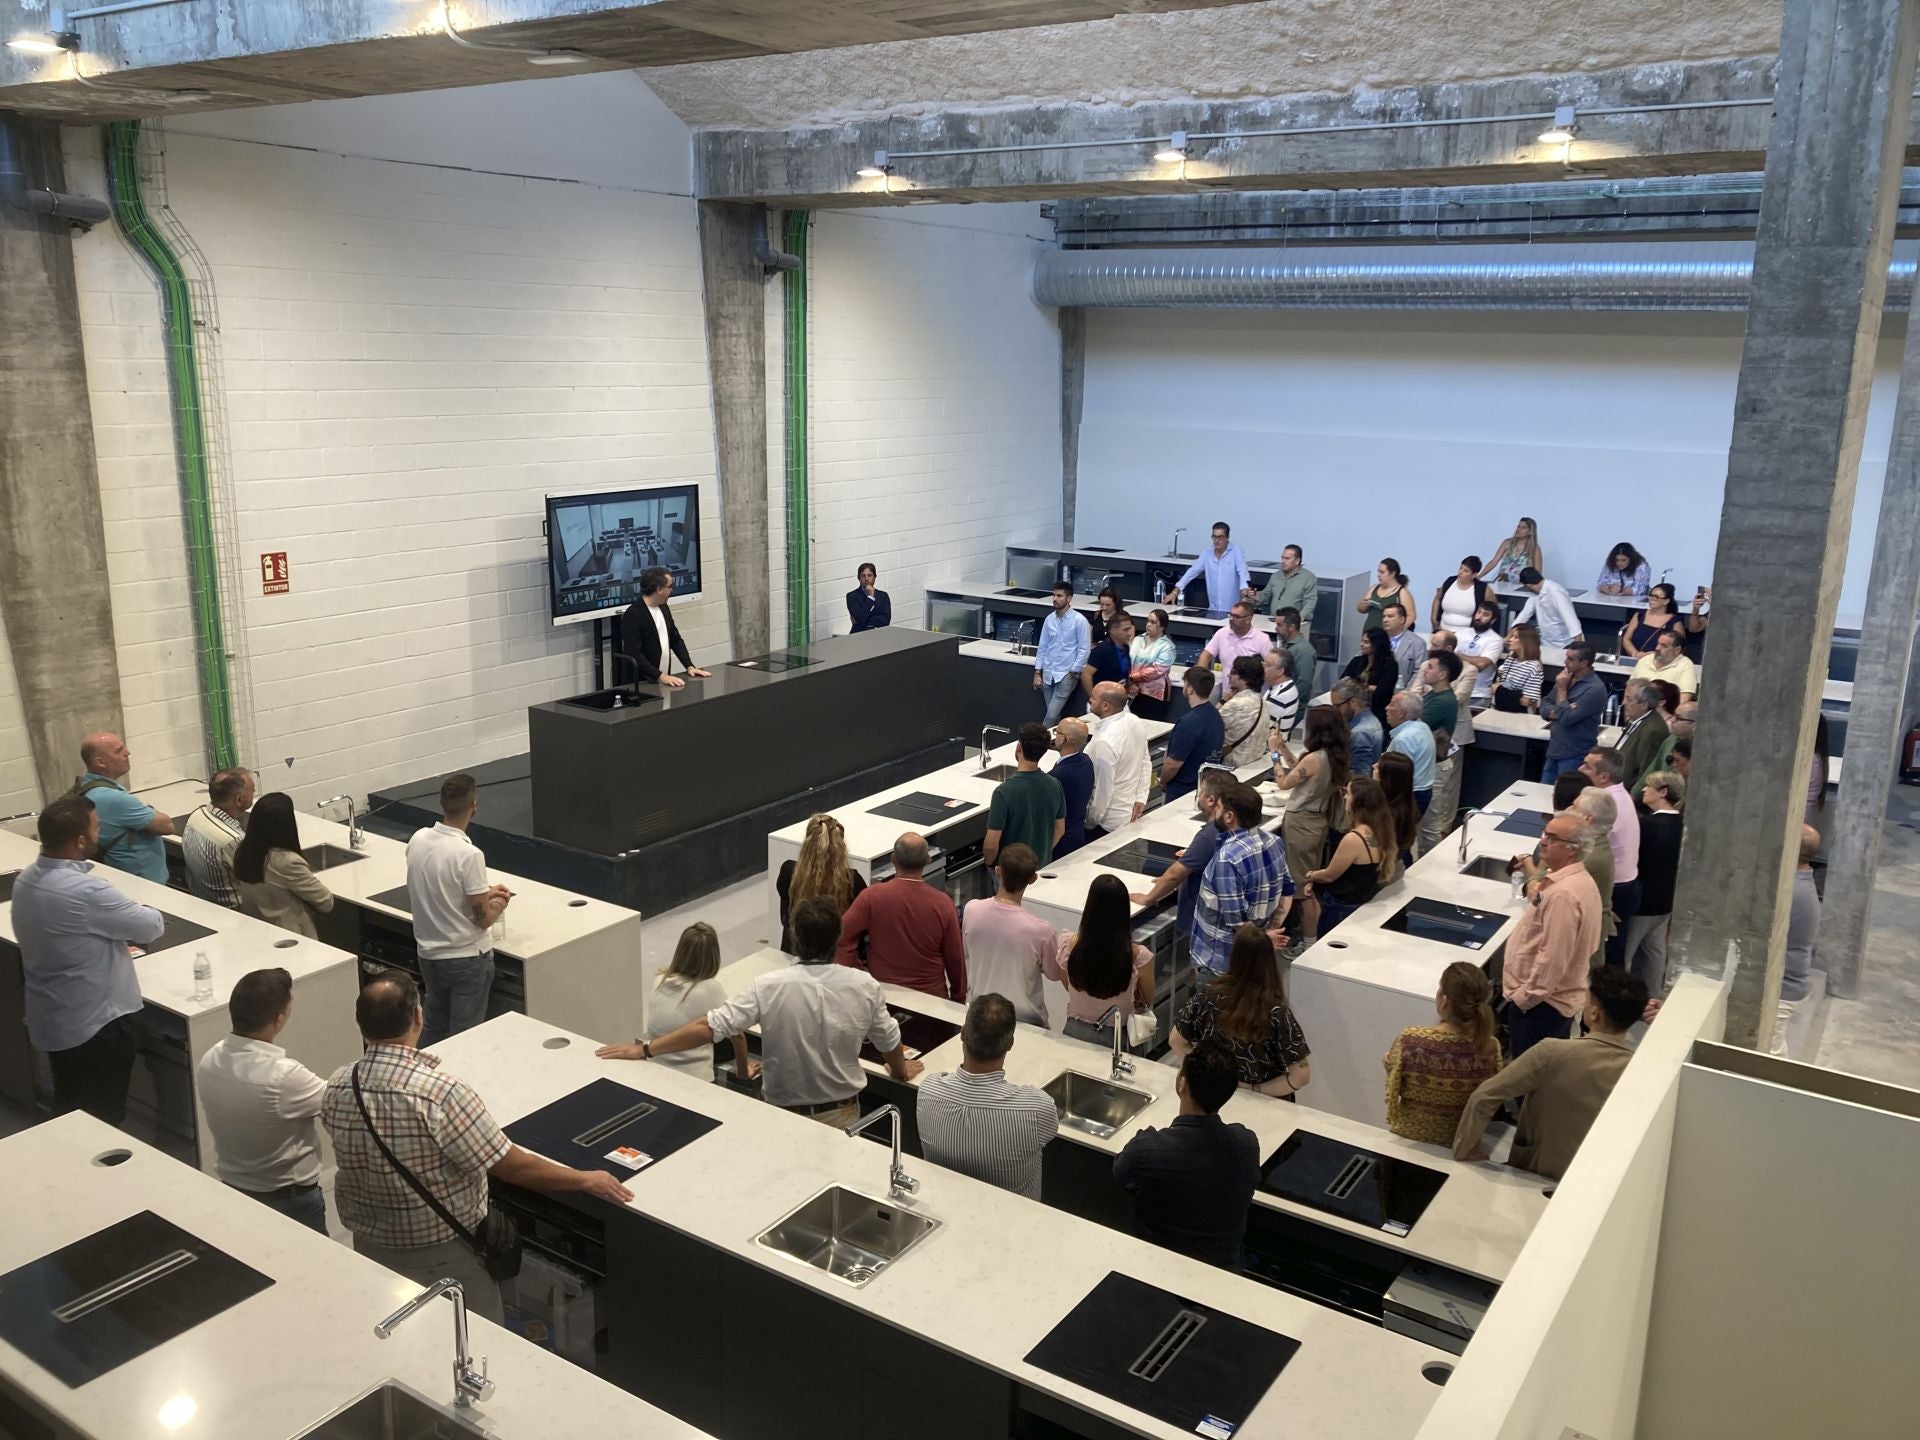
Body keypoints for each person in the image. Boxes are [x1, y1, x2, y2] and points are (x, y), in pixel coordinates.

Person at [327, 971, 633, 1320]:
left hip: (369, 1246)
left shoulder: (337, 1084)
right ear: (418, 1017)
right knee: (474, 1342)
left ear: (359, 1023)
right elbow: (511, 1166)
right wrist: (584, 1179)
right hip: (442, 1255)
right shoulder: (440, 1094)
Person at [610, 898, 922, 1125]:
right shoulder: (863, 986)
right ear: (837, 939)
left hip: (778, 1117)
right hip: (841, 1117)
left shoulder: (768, 987)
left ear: (795, 938)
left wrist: (647, 1049)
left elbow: (708, 1026)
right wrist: (899, 1070)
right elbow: (888, 1040)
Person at [12, 797, 164, 1124]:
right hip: (97, 1025)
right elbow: (151, 927)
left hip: (55, 1018)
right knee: (103, 1117)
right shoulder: (86, 891)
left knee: (68, 1104)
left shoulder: (25, 880)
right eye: (96, 827)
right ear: (80, 840)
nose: (100, 832)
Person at [1453, 967, 1648, 1179]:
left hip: (1536, 1171)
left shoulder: (1552, 1053)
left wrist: (1468, 1150)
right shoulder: (1640, 1070)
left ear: (1594, 1013)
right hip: (1597, 1179)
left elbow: (1485, 1096)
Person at [195, 967, 330, 1232]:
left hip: (234, 1189)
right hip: (289, 1199)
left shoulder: (209, 1059)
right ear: (279, 1020)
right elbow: (338, 1100)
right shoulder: (284, 1077)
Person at [1113, 1040, 1260, 1269]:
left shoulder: (1147, 1151)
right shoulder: (1247, 1144)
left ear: (1182, 1084)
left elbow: (1121, 1171)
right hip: (1222, 1275)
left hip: (1155, 1274)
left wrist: (1147, 1135)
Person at [915, 994, 1058, 1199]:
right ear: (1010, 1044)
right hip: (1014, 1223)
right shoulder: (1036, 1108)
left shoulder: (929, 1090)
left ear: (963, 1034)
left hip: (946, 1210)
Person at [405, 774, 508, 1047]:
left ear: (441, 803)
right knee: (466, 1040)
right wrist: (498, 902)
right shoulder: (469, 855)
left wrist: (483, 892)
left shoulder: (418, 839)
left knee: (432, 1030)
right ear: (474, 805)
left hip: (429, 955)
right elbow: (483, 918)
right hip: (466, 959)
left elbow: (443, 886)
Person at [1499, 812, 1603, 1060]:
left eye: (1552, 838)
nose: (1543, 841)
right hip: (1547, 1002)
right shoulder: (1578, 882)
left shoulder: (1564, 895)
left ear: (1572, 849)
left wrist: (1524, 999)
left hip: (1541, 1007)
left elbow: (1552, 959)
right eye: (1545, 834)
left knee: (1530, 1079)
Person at [1172, 923, 1311, 1097]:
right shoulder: (1276, 1012)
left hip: (1215, 1096)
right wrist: (1253, 1090)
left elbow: (1176, 1040)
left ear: (1234, 956)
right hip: (1264, 1105)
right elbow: (1301, 1075)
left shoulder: (1209, 996)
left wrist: (1204, 1071)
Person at [1383, 961, 1503, 1145]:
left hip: (1410, 1137)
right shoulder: (1490, 1046)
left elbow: (1394, 1091)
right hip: (1460, 1140)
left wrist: (1390, 1069)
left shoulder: (1410, 1040)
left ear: (1444, 999)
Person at [837, 833, 966, 1001]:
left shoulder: (871, 897)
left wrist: (858, 971)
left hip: (884, 997)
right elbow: (956, 960)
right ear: (928, 860)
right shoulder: (943, 904)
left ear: (893, 859)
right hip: (931, 1002)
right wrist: (958, 999)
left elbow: (840, 938)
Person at [1127, 767, 1234, 954]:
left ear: (1210, 800)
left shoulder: (1209, 835)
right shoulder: (1231, 826)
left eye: (1200, 792)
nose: (1198, 796)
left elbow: (1176, 874)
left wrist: (1148, 898)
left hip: (1207, 922)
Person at [1043, 874, 1155, 1049]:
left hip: (1075, 1030)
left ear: (1090, 908)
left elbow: (1068, 983)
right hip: (1121, 1036)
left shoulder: (1068, 945)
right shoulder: (1138, 956)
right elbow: (1147, 998)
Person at [1191, 783, 1290, 977]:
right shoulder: (1274, 841)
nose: (1215, 811)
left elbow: (1237, 922)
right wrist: (1271, 929)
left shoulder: (1227, 858)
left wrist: (1263, 938)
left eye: (1218, 807)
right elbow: (1288, 891)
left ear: (1229, 817)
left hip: (1221, 962)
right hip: (1257, 955)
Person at [645, 923, 752, 1083]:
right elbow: (738, 1037)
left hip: (654, 1069)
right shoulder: (709, 989)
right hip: (694, 1077)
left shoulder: (659, 980)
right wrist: (743, 1073)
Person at [962, 845, 1056, 1026]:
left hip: (979, 1015)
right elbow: (1053, 973)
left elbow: (967, 951)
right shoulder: (1041, 930)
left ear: (998, 871)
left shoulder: (971, 910)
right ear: (1033, 878)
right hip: (1026, 1021)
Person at [70, 731, 173, 882]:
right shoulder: (113, 798)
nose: (127, 753)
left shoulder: (85, 786)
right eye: (119, 751)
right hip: (143, 887)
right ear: (100, 762)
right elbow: (167, 826)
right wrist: (148, 808)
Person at [1303, 776, 1398, 937]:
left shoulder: (1353, 839)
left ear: (1357, 802)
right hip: (1365, 902)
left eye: (1347, 793)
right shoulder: (1382, 830)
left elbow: (1330, 875)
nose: (1344, 797)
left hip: (1342, 909)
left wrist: (1311, 875)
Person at [231, 792, 334, 940]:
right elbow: (326, 902)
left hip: (259, 936)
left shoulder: (243, 851)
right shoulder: (287, 862)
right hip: (293, 941)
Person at [1272, 704, 1349, 895]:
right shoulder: (1334, 756)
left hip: (1301, 823)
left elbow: (1283, 783)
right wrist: (1282, 747)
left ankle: (1307, 923)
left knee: (1301, 884)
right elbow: (1300, 768)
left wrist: (1274, 754)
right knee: (1309, 876)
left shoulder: (1313, 759)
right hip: (1318, 821)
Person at [1578, 748, 1642, 966]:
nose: (1580, 769)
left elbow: (1587, 841)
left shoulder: (1605, 802)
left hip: (1616, 888)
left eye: (1587, 766)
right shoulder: (1620, 795)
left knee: (1606, 957)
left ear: (1604, 776)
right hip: (1627, 882)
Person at [1626, 770, 1685, 994]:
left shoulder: (1647, 826)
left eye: (1648, 786)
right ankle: (1652, 1001)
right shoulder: (1682, 824)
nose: (1643, 789)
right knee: (1655, 952)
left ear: (1662, 792)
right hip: (1666, 902)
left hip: (1642, 903)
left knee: (1625, 955)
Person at [775, 813, 866, 955]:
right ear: (841, 848)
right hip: (835, 955)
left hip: (794, 952)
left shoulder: (788, 872)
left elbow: (785, 917)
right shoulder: (852, 880)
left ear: (807, 844)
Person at [985, 723, 1067, 867]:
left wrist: (990, 864)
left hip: (1010, 871)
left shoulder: (1003, 792)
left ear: (1018, 748)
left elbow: (991, 845)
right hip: (1040, 866)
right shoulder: (1055, 784)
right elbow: (1060, 829)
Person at [621, 565, 711, 689]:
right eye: (670, 587)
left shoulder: (663, 607)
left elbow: (675, 639)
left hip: (663, 680)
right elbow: (634, 653)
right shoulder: (633, 614)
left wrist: (689, 666)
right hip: (642, 683)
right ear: (658, 589)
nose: (671, 591)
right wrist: (660, 676)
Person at [1775, 823, 1821, 1057]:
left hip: (1784, 989)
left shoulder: (1790, 889)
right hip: (1790, 983)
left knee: (1769, 1056)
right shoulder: (1799, 882)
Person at [181, 766, 254, 908]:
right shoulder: (234, 841)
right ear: (239, 799)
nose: (254, 793)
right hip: (235, 914)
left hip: (201, 904)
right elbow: (257, 883)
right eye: (252, 791)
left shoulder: (196, 816)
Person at [1086, 681, 1152, 832]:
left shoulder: (1105, 742)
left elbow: (1103, 789)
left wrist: (1089, 822)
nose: (1090, 700)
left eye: (1094, 698)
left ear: (1105, 706)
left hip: (1105, 823)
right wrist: (1141, 798)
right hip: (1129, 815)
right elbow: (1145, 762)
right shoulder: (1134, 721)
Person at [1539, 640, 1606, 784]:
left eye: (1570, 659)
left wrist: (1562, 690)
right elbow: (1544, 704)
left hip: (1575, 755)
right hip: (1554, 750)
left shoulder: (1595, 689)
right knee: (1544, 796)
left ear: (1584, 663)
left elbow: (1567, 718)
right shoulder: (1566, 677)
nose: (1565, 662)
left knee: (1566, 798)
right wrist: (1561, 710)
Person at [1160, 669, 1224, 802]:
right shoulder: (1215, 715)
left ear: (1190, 689)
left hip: (1182, 791)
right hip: (1205, 787)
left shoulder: (1188, 723)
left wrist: (1162, 781)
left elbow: (1173, 764)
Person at [1033, 581, 1092, 725]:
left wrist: (1074, 671)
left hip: (1066, 674)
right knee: (1053, 713)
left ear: (1069, 598)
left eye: (1059, 595)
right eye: (1053, 595)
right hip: (1048, 673)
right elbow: (1042, 647)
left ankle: (1040, 742)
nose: (1055, 599)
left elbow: (1084, 648)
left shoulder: (1079, 620)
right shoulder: (1049, 619)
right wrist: (1037, 672)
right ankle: (1057, 743)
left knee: (1051, 716)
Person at [1169, 521, 1250, 610]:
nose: (1216, 540)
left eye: (1220, 537)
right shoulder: (1207, 553)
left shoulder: (1235, 551)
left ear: (1227, 537)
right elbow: (1192, 572)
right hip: (1213, 608)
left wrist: (1244, 595)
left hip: (1233, 609)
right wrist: (1175, 592)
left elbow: (1243, 573)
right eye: (1214, 537)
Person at [1050, 717, 1097, 858]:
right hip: (1077, 835)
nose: (1055, 735)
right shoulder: (1086, 762)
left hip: (1060, 844)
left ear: (1063, 739)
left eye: (1056, 731)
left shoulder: (1058, 775)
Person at [1615, 680, 1671, 793]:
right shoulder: (1637, 720)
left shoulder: (1653, 731)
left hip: (1628, 794)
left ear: (1644, 705)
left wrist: (1633, 797)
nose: (1624, 702)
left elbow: (1646, 771)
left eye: (1629, 699)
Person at [1386, 692, 1436, 814]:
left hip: (1408, 796)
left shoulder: (1404, 739)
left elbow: (1399, 778)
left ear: (1401, 713)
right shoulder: (1422, 726)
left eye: (1392, 704)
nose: (1386, 707)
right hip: (1423, 791)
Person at [1195, 599, 1273, 677]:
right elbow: (1206, 655)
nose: (1231, 619)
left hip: (1252, 687)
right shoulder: (1222, 633)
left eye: (1236, 616)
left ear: (1248, 619)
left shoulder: (1262, 639)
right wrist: (1200, 678)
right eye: (1231, 615)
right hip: (1227, 688)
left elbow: (1272, 665)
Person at [1342, 625, 1398, 729]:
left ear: (1377, 644)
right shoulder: (1357, 661)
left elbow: (1383, 692)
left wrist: (1359, 687)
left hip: (1376, 712)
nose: (1361, 644)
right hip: (1352, 710)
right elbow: (1343, 682)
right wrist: (1370, 687)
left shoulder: (1390, 666)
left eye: (1366, 642)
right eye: (1362, 641)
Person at [1217, 655, 1269, 767]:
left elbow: (1208, 726)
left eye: (1233, 672)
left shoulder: (1235, 705)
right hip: (1254, 762)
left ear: (1244, 679)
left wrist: (1222, 701)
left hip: (1232, 765)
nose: (1228, 675)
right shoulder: (1263, 702)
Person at [1127, 608, 1176, 721]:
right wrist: (1130, 683)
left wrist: (1131, 678)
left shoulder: (1168, 646)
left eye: (1153, 622)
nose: (1148, 625)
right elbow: (1127, 660)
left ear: (1162, 626)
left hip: (1154, 695)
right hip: (1133, 690)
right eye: (1148, 621)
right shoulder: (1138, 639)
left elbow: (1156, 670)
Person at [1513, 567, 1580, 649]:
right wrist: (1510, 634)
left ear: (1528, 585)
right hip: (1546, 643)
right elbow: (1523, 616)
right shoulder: (1535, 595)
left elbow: (1571, 619)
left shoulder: (1555, 592)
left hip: (1565, 644)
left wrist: (1578, 647)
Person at [1331, 676, 1384, 778]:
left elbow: (1360, 776)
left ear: (1353, 702)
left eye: (1337, 706)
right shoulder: (1371, 719)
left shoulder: (1360, 733)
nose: (1334, 710)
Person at [1377, 752, 1420, 872]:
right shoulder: (1408, 806)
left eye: (1378, 767)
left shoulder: (1387, 814)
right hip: (1396, 867)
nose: (1374, 767)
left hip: (1382, 871)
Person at [1629, 628, 1698, 703]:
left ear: (1677, 650)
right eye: (1658, 644)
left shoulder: (1686, 666)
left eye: (1664, 646)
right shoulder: (1644, 660)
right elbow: (1629, 690)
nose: (1657, 648)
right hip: (1639, 709)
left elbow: (1684, 700)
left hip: (1666, 712)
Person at [1619, 582, 1687, 657]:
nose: (1652, 599)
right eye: (1651, 595)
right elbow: (1626, 639)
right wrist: (1635, 654)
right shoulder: (1639, 615)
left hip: (1659, 662)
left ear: (1666, 601)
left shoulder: (1675, 622)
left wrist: (1652, 657)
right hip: (1634, 659)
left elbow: (1678, 648)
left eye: (1657, 597)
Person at [1253, 543, 1318, 619]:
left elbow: (1310, 602)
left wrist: (1299, 618)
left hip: (1296, 624)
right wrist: (1255, 596)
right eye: (1282, 558)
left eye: (1287, 558)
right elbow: (1266, 596)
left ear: (1297, 560)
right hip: (1275, 621)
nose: (1283, 561)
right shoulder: (1276, 576)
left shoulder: (1308, 577)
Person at [1080, 609, 1135, 697]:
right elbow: (1086, 674)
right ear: (1113, 631)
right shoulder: (1102, 650)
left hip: (1119, 698)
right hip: (1103, 702)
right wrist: (1093, 697)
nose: (1129, 633)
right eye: (1125, 630)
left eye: (1130, 629)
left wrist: (1130, 684)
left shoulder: (1125, 647)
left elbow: (1123, 671)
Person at [1458, 604, 1505, 706]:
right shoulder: (1461, 633)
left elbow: (1481, 664)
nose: (1479, 617)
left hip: (1478, 694)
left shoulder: (1495, 640)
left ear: (1493, 620)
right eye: (1478, 612)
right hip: (1457, 688)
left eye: (1485, 615)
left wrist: (1459, 656)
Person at [1492, 623, 1545, 712]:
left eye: (1515, 637)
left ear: (1526, 642)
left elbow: (1528, 701)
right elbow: (1497, 685)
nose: (1510, 640)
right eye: (1511, 636)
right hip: (1499, 708)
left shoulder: (1533, 667)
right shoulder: (1509, 660)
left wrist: (1499, 691)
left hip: (1520, 715)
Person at [1357, 558, 1414, 636]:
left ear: (1392, 573)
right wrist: (1361, 606)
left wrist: (1398, 633)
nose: (1378, 575)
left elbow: (1411, 616)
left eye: (1382, 572)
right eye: (1378, 572)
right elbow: (1361, 609)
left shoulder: (1402, 592)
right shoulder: (1374, 588)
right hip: (1369, 635)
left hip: (1387, 637)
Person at [1433, 557, 1491, 633]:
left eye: (1466, 571)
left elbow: (1492, 608)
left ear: (1474, 574)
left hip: (1468, 634)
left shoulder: (1482, 588)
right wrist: (1434, 619)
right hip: (1443, 631)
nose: (1460, 572)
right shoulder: (1450, 581)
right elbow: (1438, 598)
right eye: (1461, 568)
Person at [1273, 605, 1318, 700]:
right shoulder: (1287, 646)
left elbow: (1304, 684)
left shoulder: (1304, 651)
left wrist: (1289, 701)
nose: (1276, 629)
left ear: (1292, 627)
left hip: (1292, 708)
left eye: (1279, 625)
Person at [1380, 603, 1429, 690]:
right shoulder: (1378, 639)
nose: (1385, 620)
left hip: (1403, 692)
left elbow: (1419, 672)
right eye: (1384, 616)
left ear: (1402, 619)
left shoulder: (1417, 643)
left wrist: (1407, 693)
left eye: (1390, 616)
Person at [1484, 516, 1543, 587]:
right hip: (1502, 584)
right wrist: (1479, 576)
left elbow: (1537, 572)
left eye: (1523, 527)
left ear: (1530, 532)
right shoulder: (1507, 543)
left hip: (1522, 586)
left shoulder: (1535, 548)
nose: (1519, 529)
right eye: (1518, 526)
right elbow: (1493, 562)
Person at [1260, 647, 1302, 740]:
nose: (1263, 668)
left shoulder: (1281, 695)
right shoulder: (1281, 687)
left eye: (1267, 665)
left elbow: (1259, 727)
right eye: (1263, 663)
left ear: (1280, 671)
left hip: (1270, 750)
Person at [846, 562, 891, 632]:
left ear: (875, 577)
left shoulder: (883, 596)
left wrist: (862, 622)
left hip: (879, 636)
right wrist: (870, 597)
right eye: (863, 576)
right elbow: (860, 618)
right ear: (858, 578)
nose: (866, 579)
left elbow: (885, 621)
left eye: (869, 575)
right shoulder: (852, 596)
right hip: (858, 636)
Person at [1808, 713, 1831, 823]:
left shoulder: (1819, 718)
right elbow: (1824, 755)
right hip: (1815, 764)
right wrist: (1824, 786)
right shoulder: (1820, 717)